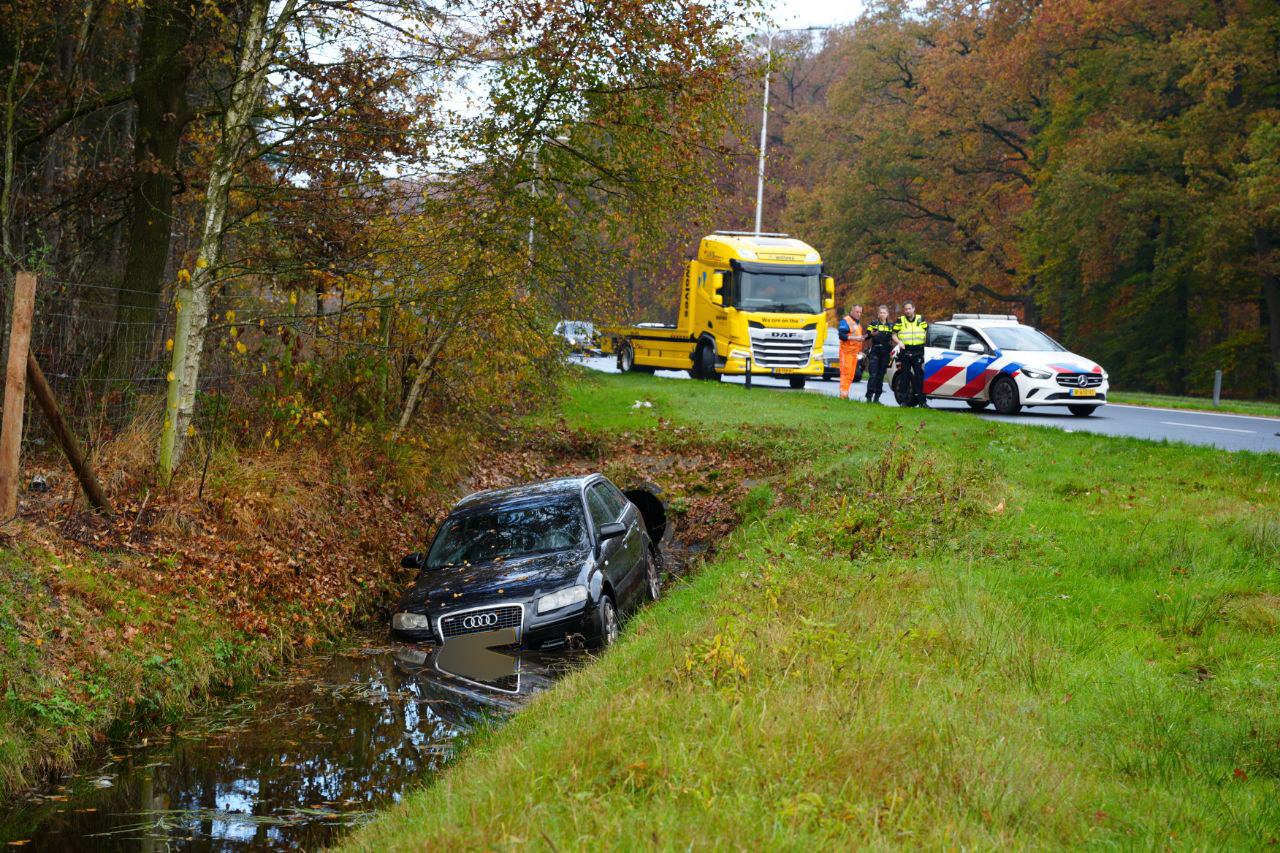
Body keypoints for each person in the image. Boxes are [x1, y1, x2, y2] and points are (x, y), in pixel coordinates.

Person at [892, 301, 929, 407]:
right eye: (906, 309)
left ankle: (922, 402)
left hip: (918, 351)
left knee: (919, 377)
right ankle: (904, 401)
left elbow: (927, 332)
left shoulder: (921, 319)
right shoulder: (900, 320)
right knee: (904, 376)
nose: (907, 311)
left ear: (913, 309)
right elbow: (893, 334)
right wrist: (899, 343)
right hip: (905, 351)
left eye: (909, 309)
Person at [863, 305, 895, 403]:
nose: (882, 314)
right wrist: (871, 333)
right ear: (878, 314)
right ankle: (869, 397)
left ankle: (877, 398)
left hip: (885, 353)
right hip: (875, 352)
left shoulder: (891, 326)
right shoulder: (874, 323)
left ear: (887, 314)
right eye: (880, 312)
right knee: (873, 375)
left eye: (884, 312)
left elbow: (895, 337)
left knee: (881, 376)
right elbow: (867, 335)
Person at [836, 303, 864, 400]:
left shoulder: (858, 324)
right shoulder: (846, 321)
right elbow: (842, 336)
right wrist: (856, 338)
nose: (859, 314)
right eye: (857, 312)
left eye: (860, 312)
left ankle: (845, 394)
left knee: (851, 375)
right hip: (846, 352)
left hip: (854, 353)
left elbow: (858, 340)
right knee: (845, 373)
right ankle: (843, 395)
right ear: (851, 311)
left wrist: (860, 351)